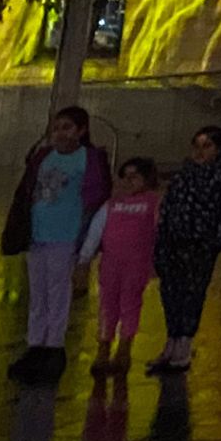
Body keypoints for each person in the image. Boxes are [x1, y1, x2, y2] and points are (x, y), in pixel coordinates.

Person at [2, 104, 113, 383]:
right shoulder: (43, 156)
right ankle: (35, 345)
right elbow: (27, 191)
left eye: (67, 128)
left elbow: (97, 200)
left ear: (81, 131)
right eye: (56, 128)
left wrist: (86, 244)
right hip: (37, 233)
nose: (60, 133)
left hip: (65, 235)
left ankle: (53, 347)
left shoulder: (88, 159)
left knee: (57, 293)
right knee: (38, 294)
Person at [148, 125, 221, 374]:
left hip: (199, 245)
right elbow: (168, 206)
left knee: (192, 293)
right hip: (172, 243)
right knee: (171, 292)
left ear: (217, 149)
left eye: (207, 146)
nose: (200, 152)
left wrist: (213, 241)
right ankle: (172, 340)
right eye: (196, 145)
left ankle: (184, 344)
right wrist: (162, 237)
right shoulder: (183, 175)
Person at [78, 157, 160, 378]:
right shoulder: (111, 205)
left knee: (130, 305)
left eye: (135, 177)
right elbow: (96, 231)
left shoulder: (153, 204)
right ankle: (103, 348)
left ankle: (124, 349)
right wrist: (85, 258)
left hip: (136, 266)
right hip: (110, 266)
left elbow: (160, 233)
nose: (128, 181)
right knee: (107, 305)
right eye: (124, 176)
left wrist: (158, 262)